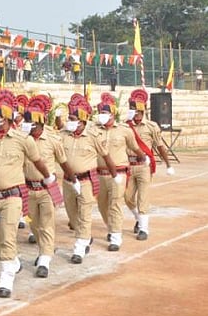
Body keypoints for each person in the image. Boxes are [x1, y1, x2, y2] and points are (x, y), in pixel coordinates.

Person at [0, 90, 52, 298]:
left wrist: (49, 177)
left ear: (5, 119)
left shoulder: (23, 140)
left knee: (8, 235)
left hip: (13, 196)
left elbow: (38, 160)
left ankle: (6, 278)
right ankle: (12, 262)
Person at [60, 94, 116, 264]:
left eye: (72, 118)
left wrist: (115, 175)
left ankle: (80, 246)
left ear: (82, 120)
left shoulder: (93, 136)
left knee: (85, 213)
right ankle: (84, 235)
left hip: (86, 181)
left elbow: (106, 157)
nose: (68, 121)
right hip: (68, 181)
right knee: (72, 214)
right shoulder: (63, 134)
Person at [21, 95, 73, 278]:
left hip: (46, 189)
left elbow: (64, 162)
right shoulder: (22, 140)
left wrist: (72, 179)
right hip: (28, 189)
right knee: (34, 224)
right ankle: (45, 248)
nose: (26, 125)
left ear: (39, 123)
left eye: (29, 122)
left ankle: (44, 259)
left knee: (47, 224)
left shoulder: (52, 140)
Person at [94, 93, 144, 251]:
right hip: (100, 174)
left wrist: (145, 159)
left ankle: (116, 236)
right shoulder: (94, 130)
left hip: (119, 174)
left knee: (115, 204)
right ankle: (111, 227)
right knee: (102, 205)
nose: (102, 116)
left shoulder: (124, 130)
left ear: (112, 114)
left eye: (105, 113)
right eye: (100, 112)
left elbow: (135, 147)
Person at [125, 89, 174, 240]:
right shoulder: (125, 126)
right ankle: (138, 220)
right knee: (127, 197)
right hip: (129, 166)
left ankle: (144, 229)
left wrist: (168, 164)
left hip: (144, 166)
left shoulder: (151, 126)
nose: (136, 113)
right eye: (133, 110)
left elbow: (160, 147)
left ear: (143, 110)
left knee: (143, 198)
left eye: (138, 110)